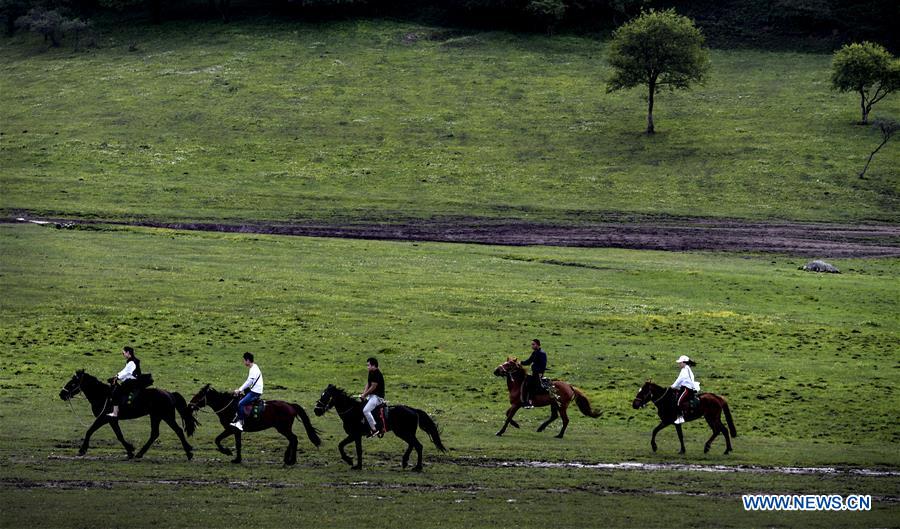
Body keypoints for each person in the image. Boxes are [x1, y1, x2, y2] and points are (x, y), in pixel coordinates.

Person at [230, 352, 263, 432]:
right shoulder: (254, 367)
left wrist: (239, 390)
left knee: (240, 403)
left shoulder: (254, 369)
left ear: (248, 360)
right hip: (254, 390)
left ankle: (240, 423)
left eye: (244, 360)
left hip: (255, 392)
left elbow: (249, 382)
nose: (244, 362)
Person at [107, 346, 141, 418]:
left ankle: (115, 413)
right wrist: (116, 376)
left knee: (116, 392)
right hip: (132, 381)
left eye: (123, 353)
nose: (123, 355)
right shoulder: (131, 361)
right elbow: (124, 371)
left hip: (132, 382)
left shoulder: (132, 362)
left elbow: (126, 372)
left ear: (128, 352)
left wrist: (117, 377)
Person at [360, 357, 385, 437]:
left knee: (366, 410)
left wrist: (365, 395)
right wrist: (363, 394)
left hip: (377, 397)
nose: (367, 367)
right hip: (371, 396)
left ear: (373, 365)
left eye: (368, 365)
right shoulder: (371, 372)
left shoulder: (377, 373)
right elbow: (368, 384)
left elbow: (373, 386)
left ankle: (375, 429)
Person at [671, 355, 700, 424]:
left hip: (688, 389)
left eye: (680, 363)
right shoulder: (684, 369)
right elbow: (679, 379)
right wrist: (674, 386)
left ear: (684, 362)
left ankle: (681, 417)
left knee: (679, 401)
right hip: (683, 387)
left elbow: (680, 380)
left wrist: (673, 386)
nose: (679, 364)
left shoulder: (685, 370)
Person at [520, 339, 547, 409]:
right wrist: (520, 363)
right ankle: (524, 400)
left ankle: (530, 402)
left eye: (533, 344)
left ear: (538, 345)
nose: (532, 346)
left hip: (538, 374)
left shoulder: (542, 353)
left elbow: (543, 365)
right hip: (534, 373)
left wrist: (539, 372)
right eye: (532, 344)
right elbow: (528, 361)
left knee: (531, 385)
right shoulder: (535, 353)